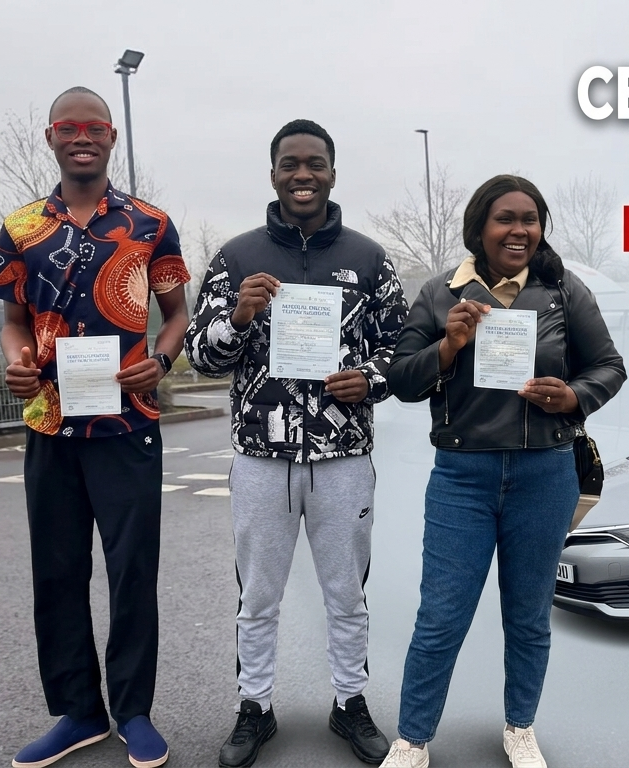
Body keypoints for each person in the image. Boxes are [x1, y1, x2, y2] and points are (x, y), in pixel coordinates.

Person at [183, 119, 407, 768]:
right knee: (258, 596)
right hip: (260, 458)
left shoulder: (368, 259)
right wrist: (238, 317)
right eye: (289, 163)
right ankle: (254, 708)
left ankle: (351, 703)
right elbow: (202, 355)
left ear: (333, 173)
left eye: (315, 163)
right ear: (273, 172)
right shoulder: (237, 258)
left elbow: (405, 351)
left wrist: (368, 379)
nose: (302, 174)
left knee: (346, 594)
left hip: (342, 460)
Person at [381, 175, 626, 768]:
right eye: (505, 219)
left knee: (528, 615)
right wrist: (447, 347)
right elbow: (401, 378)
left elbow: (609, 367)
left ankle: (520, 726)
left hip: (544, 475)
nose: (520, 230)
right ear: (479, 229)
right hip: (462, 477)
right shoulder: (443, 293)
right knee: (441, 616)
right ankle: (413, 739)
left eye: (531, 219)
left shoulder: (564, 291)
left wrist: (571, 397)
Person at [0, 86, 191, 768]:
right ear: (51, 137)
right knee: (57, 570)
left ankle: (133, 711)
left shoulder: (149, 224)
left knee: (132, 572)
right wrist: (18, 362)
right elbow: (14, 320)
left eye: (95, 126)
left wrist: (161, 361)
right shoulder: (21, 227)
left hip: (126, 423)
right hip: (49, 425)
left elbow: (175, 314)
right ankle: (79, 712)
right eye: (69, 127)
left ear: (110, 138)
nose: (84, 136)